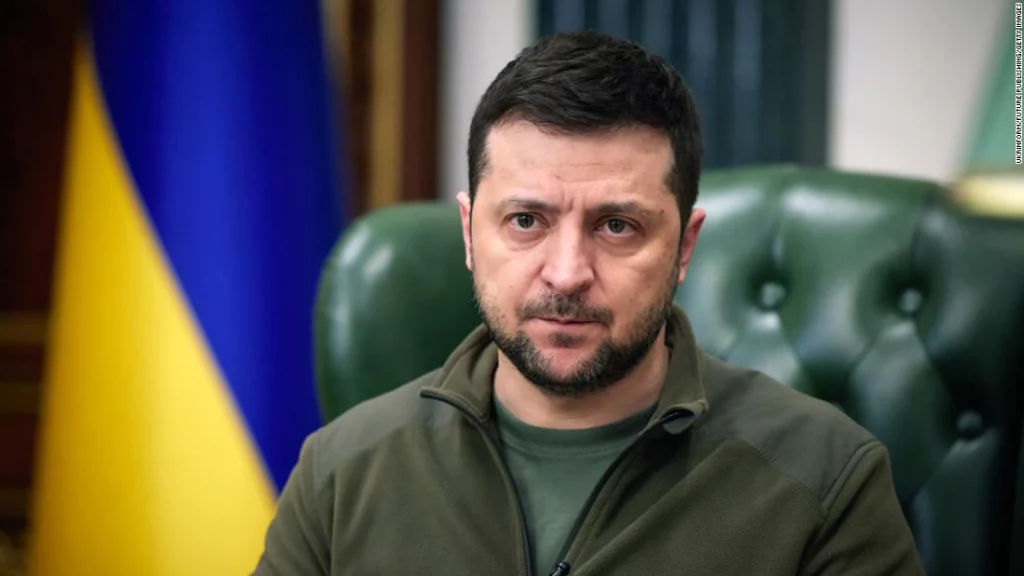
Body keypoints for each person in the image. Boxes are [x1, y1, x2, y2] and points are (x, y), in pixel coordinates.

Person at [253, 30, 924, 576]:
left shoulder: (825, 478)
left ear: (684, 247)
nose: (568, 273)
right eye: (526, 221)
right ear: (469, 233)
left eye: (617, 226)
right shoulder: (340, 473)